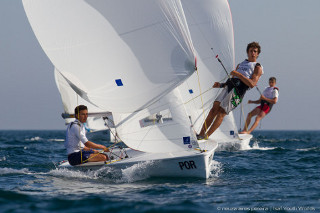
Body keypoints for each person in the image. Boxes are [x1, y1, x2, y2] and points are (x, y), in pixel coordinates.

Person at [197, 42, 263, 140]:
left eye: (255, 51)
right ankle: (201, 134)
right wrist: (221, 85)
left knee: (221, 112)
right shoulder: (241, 64)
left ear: (257, 54)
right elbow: (232, 79)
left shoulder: (257, 67)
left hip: (238, 93)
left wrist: (239, 74)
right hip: (229, 88)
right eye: (251, 51)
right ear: (247, 52)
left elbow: (252, 84)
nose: (252, 53)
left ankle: (206, 136)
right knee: (213, 109)